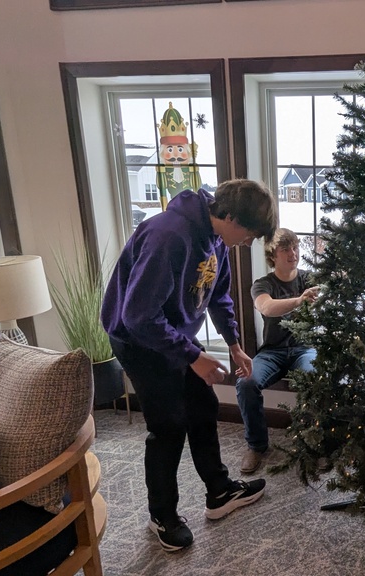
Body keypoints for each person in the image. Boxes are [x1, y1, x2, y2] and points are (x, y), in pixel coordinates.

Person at [101, 180, 277, 552]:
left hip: (172, 332)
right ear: (231, 217)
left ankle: (219, 492)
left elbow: (218, 294)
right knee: (168, 426)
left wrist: (234, 346)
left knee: (202, 408)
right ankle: (161, 516)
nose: (248, 243)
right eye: (248, 234)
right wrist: (194, 356)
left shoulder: (217, 239)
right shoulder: (168, 236)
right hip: (139, 340)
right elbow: (138, 317)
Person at [236, 228, 319, 473]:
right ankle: (256, 446)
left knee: (314, 376)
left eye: (295, 247)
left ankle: (314, 443)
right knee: (246, 382)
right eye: (285, 249)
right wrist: (298, 301)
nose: (293, 254)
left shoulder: (309, 279)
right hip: (272, 352)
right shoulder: (263, 284)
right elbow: (267, 307)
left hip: (304, 349)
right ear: (273, 256)